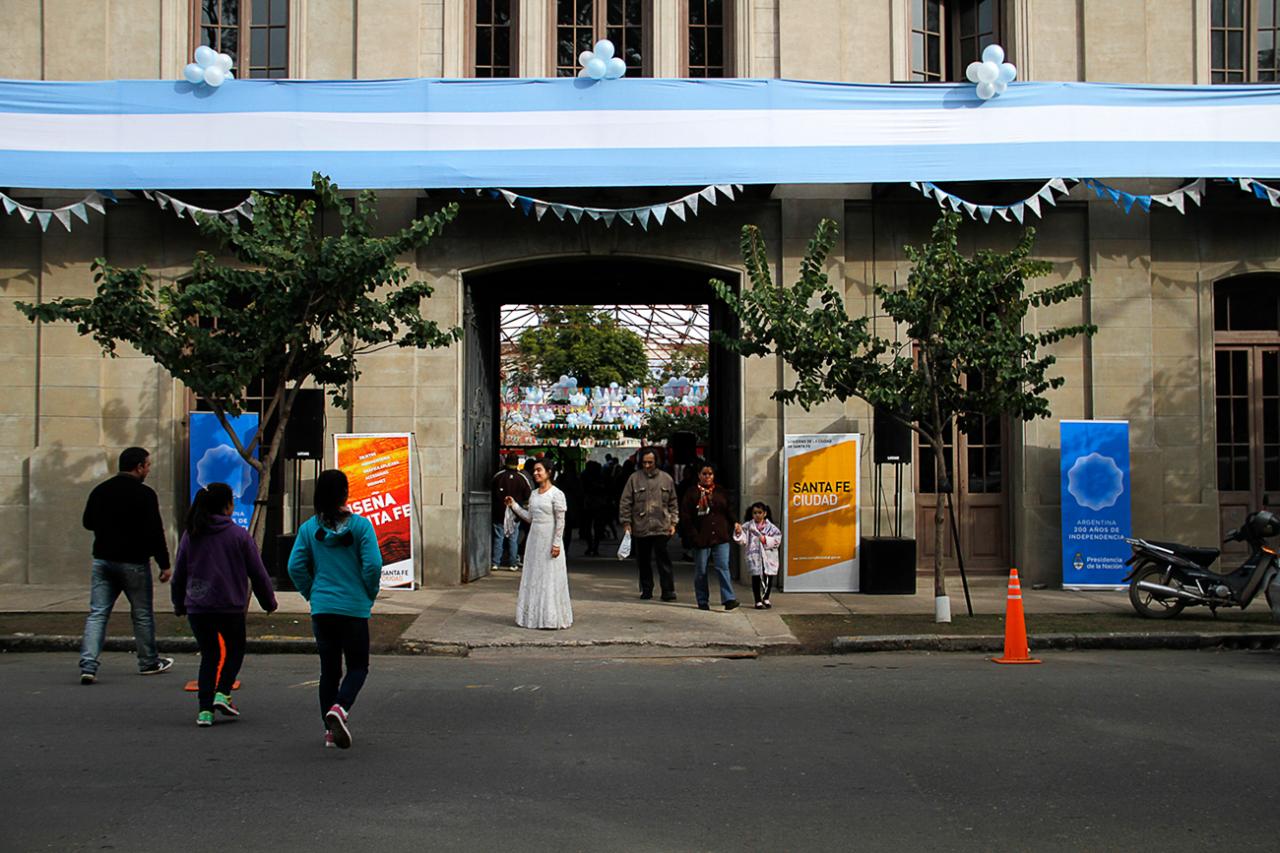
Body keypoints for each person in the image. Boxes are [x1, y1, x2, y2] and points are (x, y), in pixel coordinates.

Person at [288, 469, 383, 750]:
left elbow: (295, 567)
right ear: (345, 493)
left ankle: (329, 732)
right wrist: (369, 592)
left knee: (329, 671)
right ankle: (340, 709)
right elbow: (374, 565)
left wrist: (311, 593)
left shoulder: (308, 529)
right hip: (353, 609)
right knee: (358, 666)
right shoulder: (361, 527)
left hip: (323, 609)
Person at [171, 483, 278, 727]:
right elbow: (258, 573)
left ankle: (205, 710)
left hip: (198, 607)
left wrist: (179, 603)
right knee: (235, 650)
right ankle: (223, 691)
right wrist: (268, 601)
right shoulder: (239, 535)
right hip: (230, 606)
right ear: (227, 505)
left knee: (209, 656)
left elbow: (179, 574)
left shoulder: (191, 534)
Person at [78, 446, 174, 683]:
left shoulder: (101, 490)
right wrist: (164, 563)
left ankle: (88, 665)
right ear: (139, 466)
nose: (149, 470)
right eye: (148, 465)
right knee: (141, 614)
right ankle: (148, 661)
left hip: (103, 559)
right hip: (134, 561)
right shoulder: (145, 495)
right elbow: (155, 531)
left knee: (98, 613)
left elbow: (87, 522)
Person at [506, 459, 573, 629]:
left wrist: (557, 543)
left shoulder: (557, 494)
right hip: (534, 540)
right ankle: (532, 617)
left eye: (539, 470)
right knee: (534, 576)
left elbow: (561, 521)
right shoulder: (534, 494)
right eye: (534, 470)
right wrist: (513, 505)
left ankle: (550, 618)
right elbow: (530, 517)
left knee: (549, 577)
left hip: (550, 539)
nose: (535, 473)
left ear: (549, 472)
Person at [618, 447, 680, 601]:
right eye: (644, 462)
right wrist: (626, 523)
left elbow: (673, 503)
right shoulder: (634, 479)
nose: (647, 466)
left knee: (663, 561)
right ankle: (646, 589)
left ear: (656, 462)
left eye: (650, 462)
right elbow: (625, 502)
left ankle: (668, 590)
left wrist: (673, 523)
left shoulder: (667, 479)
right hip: (641, 526)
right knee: (643, 561)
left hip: (662, 526)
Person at [680, 462, 742, 611]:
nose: (707, 477)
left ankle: (728, 599)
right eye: (704, 474)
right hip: (701, 537)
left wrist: (735, 523)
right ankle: (702, 600)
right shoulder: (692, 493)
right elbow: (686, 516)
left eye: (710, 474)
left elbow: (729, 510)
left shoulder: (720, 492)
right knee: (701, 570)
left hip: (720, 536)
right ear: (699, 475)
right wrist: (693, 535)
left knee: (723, 567)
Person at [733, 502, 783, 609]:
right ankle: (757, 600)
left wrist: (765, 539)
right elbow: (742, 540)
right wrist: (738, 532)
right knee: (756, 577)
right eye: (755, 513)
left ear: (765, 513)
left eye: (760, 512)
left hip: (768, 556)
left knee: (768, 576)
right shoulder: (748, 526)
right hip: (754, 556)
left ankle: (766, 597)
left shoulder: (771, 528)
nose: (757, 515)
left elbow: (778, 539)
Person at [491, 452, 531, 572]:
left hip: (499, 512)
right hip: (515, 513)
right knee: (513, 538)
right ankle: (513, 563)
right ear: (517, 463)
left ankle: (495, 563)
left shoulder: (498, 476)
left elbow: (490, 490)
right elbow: (528, 494)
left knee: (499, 538)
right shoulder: (522, 478)